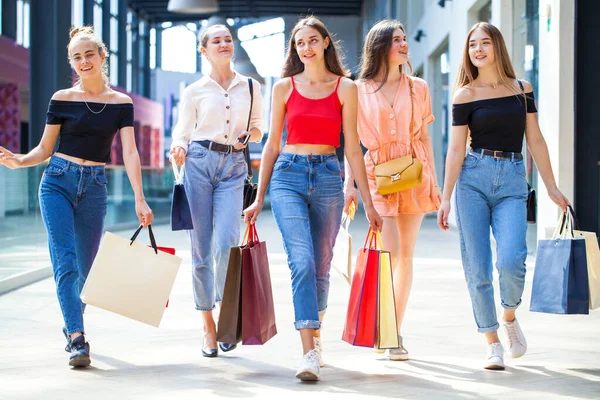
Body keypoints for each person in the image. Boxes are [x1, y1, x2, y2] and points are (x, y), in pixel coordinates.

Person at [0, 26, 154, 368]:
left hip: (95, 188)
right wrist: (19, 161)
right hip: (57, 182)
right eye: (76, 56)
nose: (83, 61)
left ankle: (70, 320)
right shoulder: (62, 99)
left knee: (86, 271)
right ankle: (77, 338)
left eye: (89, 54)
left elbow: (129, 152)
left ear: (102, 56)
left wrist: (140, 198)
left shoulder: (120, 104)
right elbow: (44, 148)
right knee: (66, 263)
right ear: (72, 62)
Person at [244, 16, 383, 381]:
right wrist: (259, 198)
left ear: (324, 43)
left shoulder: (345, 88)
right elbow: (272, 144)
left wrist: (367, 201)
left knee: (322, 265)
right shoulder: (284, 87)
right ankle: (308, 350)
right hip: (288, 174)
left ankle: (315, 333)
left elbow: (353, 148)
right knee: (302, 261)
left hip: (326, 177)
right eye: (298, 43)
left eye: (311, 41)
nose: (305, 48)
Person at [437, 22, 569, 370]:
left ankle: (509, 317)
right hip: (472, 181)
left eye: (484, 43)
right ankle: (492, 341)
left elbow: (535, 139)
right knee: (477, 268)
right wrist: (446, 197)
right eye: (472, 45)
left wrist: (551, 186)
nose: (477, 50)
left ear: (497, 46)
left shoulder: (521, 89)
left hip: (512, 179)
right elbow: (454, 149)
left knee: (512, 260)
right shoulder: (464, 95)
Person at [344, 20, 440, 361]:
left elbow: (425, 137)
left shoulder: (419, 88)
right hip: (376, 174)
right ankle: (384, 326)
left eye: (404, 39)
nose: (403, 44)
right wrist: (349, 186)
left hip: (413, 172)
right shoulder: (359, 88)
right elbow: (351, 143)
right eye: (396, 40)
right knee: (392, 253)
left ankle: (393, 332)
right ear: (380, 46)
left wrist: (435, 181)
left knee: (407, 255)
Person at [169, 24, 263, 358]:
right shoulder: (194, 90)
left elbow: (258, 126)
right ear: (204, 50)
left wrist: (249, 135)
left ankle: (226, 317)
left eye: (228, 39)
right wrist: (178, 147)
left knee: (226, 244)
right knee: (200, 250)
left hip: (233, 167)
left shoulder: (250, 87)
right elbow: (182, 130)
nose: (224, 44)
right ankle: (208, 326)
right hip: (197, 162)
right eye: (216, 40)